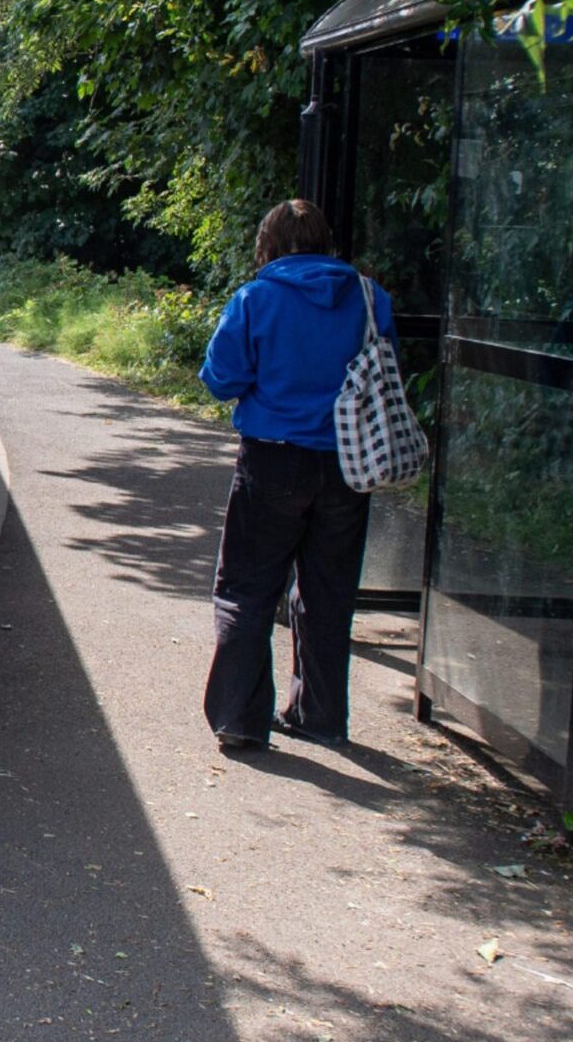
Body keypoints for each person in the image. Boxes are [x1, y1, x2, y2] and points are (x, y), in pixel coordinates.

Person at [196, 198, 395, 753]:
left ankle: (239, 716)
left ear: (269, 244)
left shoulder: (257, 299)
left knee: (248, 588)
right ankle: (320, 717)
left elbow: (221, 378)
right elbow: (386, 369)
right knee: (329, 592)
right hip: (349, 465)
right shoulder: (369, 297)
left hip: (274, 459)